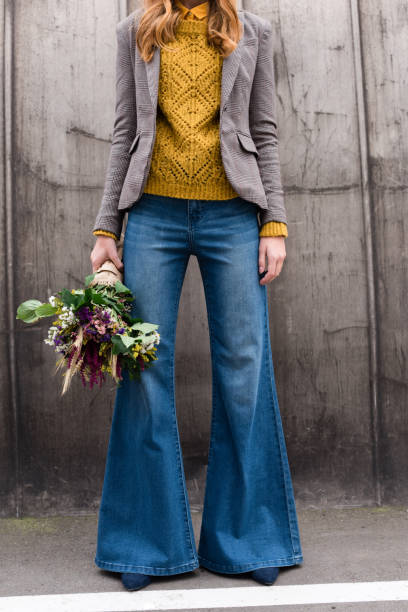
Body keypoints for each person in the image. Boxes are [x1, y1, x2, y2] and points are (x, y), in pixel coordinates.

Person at [90, 0, 303, 592]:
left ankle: (250, 539)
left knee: (243, 366)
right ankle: (145, 545)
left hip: (233, 216)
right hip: (152, 217)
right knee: (144, 366)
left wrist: (274, 223)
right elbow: (124, 132)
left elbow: (264, 131)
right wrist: (107, 228)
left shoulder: (251, 30)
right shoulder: (135, 30)